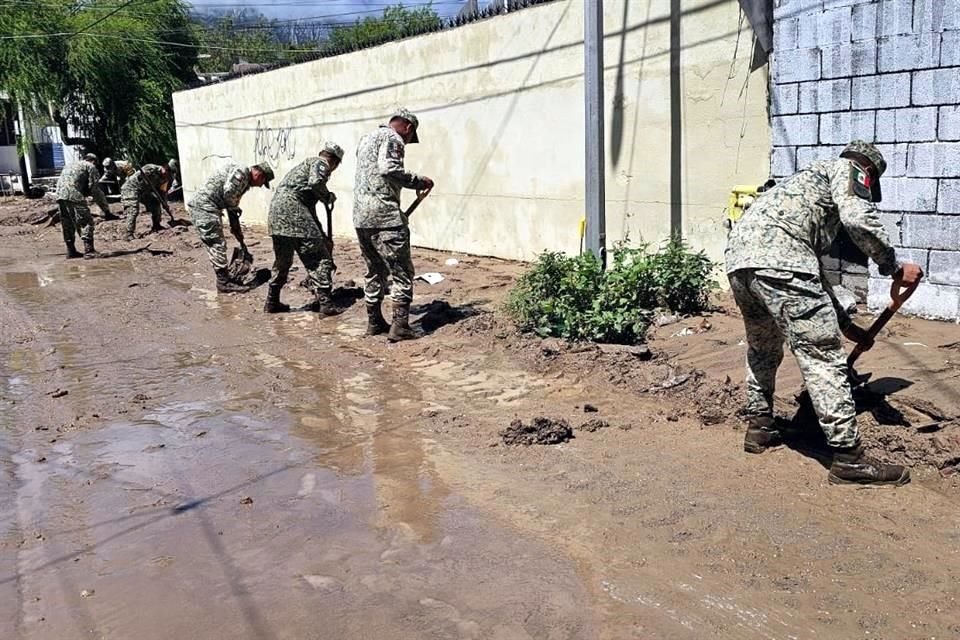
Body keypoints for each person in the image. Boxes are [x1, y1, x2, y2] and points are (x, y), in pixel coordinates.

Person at [725, 140, 924, 486]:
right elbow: (857, 218)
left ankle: (759, 427)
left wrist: (846, 325)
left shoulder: (800, 184)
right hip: (781, 263)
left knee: (763, 348)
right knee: (822, 356)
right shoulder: (850, 170)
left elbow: (810, 270)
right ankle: (849, 459)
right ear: (870, 171)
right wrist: (892, 266)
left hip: (741, 264)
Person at [353, 109, 434, 341]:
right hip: (385, 217)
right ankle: (400, 326)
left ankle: (374, 322)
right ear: (408, 127)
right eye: (410, 137)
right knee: (402, 272)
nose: (407, 142)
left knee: (373, 270)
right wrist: (419, 180)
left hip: (361, 216)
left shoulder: (366, 139)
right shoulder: (393, 138)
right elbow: (388, 169)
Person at [265, 142, 344, 315]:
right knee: (319, 258)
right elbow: (316, 184)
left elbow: (309, 212)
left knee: (283, 261)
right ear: (335, 162)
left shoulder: (301, 170)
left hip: (277, 216)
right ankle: (325, 303)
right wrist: (327, 196)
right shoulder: (320, 163)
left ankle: (272, 301)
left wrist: (321, 234)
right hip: (294, 213)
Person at [187, 161, 274, 293]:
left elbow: (230, 198)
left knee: (217, 243)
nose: (260, 186)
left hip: (209, 207)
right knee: (216, 243)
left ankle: (225, 278)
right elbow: (229, 193)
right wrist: (234, 215)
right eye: (262, 183)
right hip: (205, 208)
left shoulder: (243, 176)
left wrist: (235, 222)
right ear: (259, 175)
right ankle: (223, 282)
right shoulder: (241, 174)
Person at [55, 153, 112, 259]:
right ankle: (89, 250)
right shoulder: (90, 167)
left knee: (67, 223)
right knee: (86, 221)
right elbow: (94, 189)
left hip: (59, 195)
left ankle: (71, 251)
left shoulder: (70, 165)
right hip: (74, 194)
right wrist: (106, 211)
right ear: (93, 161)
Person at [123, 163, 174, 240]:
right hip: (132, 188)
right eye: (166, 173)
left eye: (168, 175)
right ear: (163, 168)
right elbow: (140, 177)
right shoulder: (150, 168)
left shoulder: (165, 179)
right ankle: (128, 233)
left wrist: (165, 204)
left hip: (145, 191)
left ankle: (156, 225)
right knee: (133, 209)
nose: (166, 176)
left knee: (155, 203)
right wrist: (147, 180)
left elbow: (162, 192)